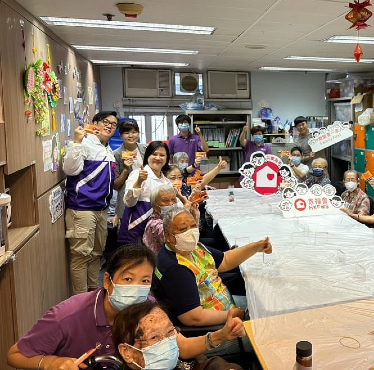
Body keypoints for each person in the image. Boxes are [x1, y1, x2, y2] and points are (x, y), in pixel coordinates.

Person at [7, 244, 156, 369]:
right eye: (128, 279)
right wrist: (50, 362)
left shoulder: (150, 310)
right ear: (107, 281)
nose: (136, 289)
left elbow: (172, 339)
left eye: (144, 281)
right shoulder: (67, 316)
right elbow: (14, 355)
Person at [152, 207, 271, 348]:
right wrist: (232, 314)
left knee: (267, 306)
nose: (190, 232)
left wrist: (256, 247)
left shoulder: (193, 249)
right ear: (169, 236)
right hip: (215, 330)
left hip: (224, 305)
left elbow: (225, 260)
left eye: (193, 226)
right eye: (183, 229)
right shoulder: (176, 268)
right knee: (268, 334)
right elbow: (193, 317)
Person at [62, 111, 118, 295]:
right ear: (94, 123)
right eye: (105, 122)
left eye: (113, 124)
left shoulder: (107, 148)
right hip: (82, 208)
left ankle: (93, 295)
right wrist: (77, 142)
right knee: (81, 257)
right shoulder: (85, 143)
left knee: (96, 254)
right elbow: (70, 169)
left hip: (101, 210)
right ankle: (81, 301)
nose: (109, 126)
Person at [112, 301, 244, 370]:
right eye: (154, 337)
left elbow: (205, 364)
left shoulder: (179, 363)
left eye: (170, 332)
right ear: (127, 352)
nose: (167, 343)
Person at [119, 141, 172, 244]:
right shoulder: (137, 174)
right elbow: (129, 202)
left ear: (167, 158)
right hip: (137, 227)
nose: (158, 158)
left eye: (162, 155)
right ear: (147, 156)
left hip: (157, 229)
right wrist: (139, 182)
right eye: (154, 154)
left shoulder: (166, 181)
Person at [113, 120, 147, 227]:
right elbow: (116, 185)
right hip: (127, 200)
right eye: (127, 133)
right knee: (129, 238)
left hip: (146, 197)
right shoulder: (117, 155)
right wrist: (126, 169)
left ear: (138, 133)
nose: (131, 135)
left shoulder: (146, 150)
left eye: (134, 132)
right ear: (121, 135)